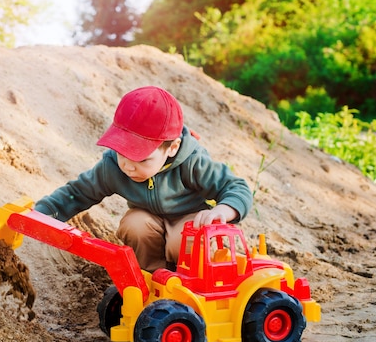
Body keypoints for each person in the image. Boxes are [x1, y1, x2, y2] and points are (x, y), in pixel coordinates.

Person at [33, 86, 252, 272]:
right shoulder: (112, 167)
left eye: (141, 158)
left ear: (172, 148)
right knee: (134, 224)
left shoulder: (192, 162)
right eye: (121, 152)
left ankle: (186, 282)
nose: (127, 165)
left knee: (184, 239)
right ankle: (150, 277)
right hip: (148, 222)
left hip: (189, 220)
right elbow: (78, 192)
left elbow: (236, 187)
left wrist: (221, 211)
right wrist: (42, 214)